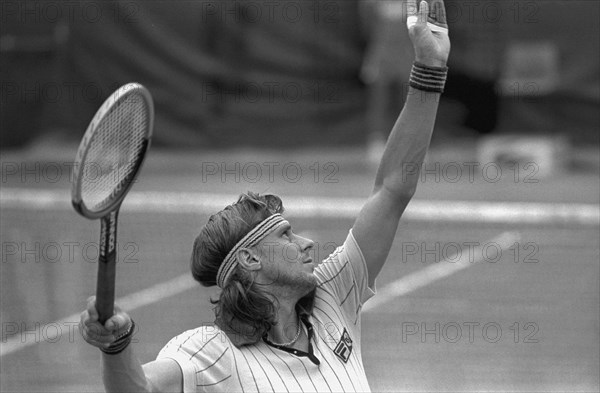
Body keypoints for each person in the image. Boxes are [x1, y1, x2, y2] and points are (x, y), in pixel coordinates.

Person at [79, 0, 451, 391]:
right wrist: (117, 346)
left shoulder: (333, 297)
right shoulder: (211, 352)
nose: (307, 243)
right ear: (250, 257)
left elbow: (393, 189)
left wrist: (430, 68)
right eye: (286, 235)